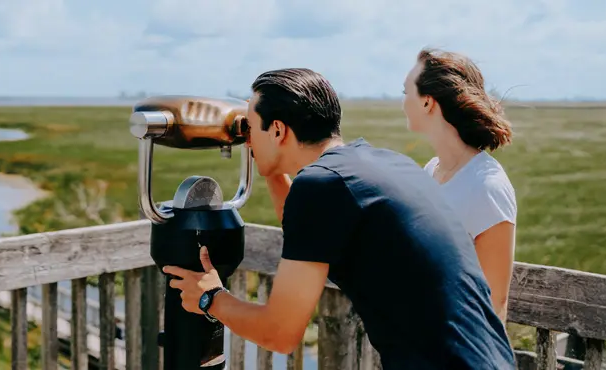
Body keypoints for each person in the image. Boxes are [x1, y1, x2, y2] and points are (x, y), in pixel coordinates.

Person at [162, 68, 515, 369]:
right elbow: (308, 233)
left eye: (252, 127)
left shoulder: (321, 185)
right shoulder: (380, 163)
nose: (247, 138)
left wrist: (211, 298)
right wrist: (269, 166)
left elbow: (280, 333)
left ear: (280, 130)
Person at [402, 48, 518, 322]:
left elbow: (495, 303)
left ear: (428, 102)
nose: (403, 102)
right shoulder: (432, 170)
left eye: (406, 92)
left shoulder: (487, 187)